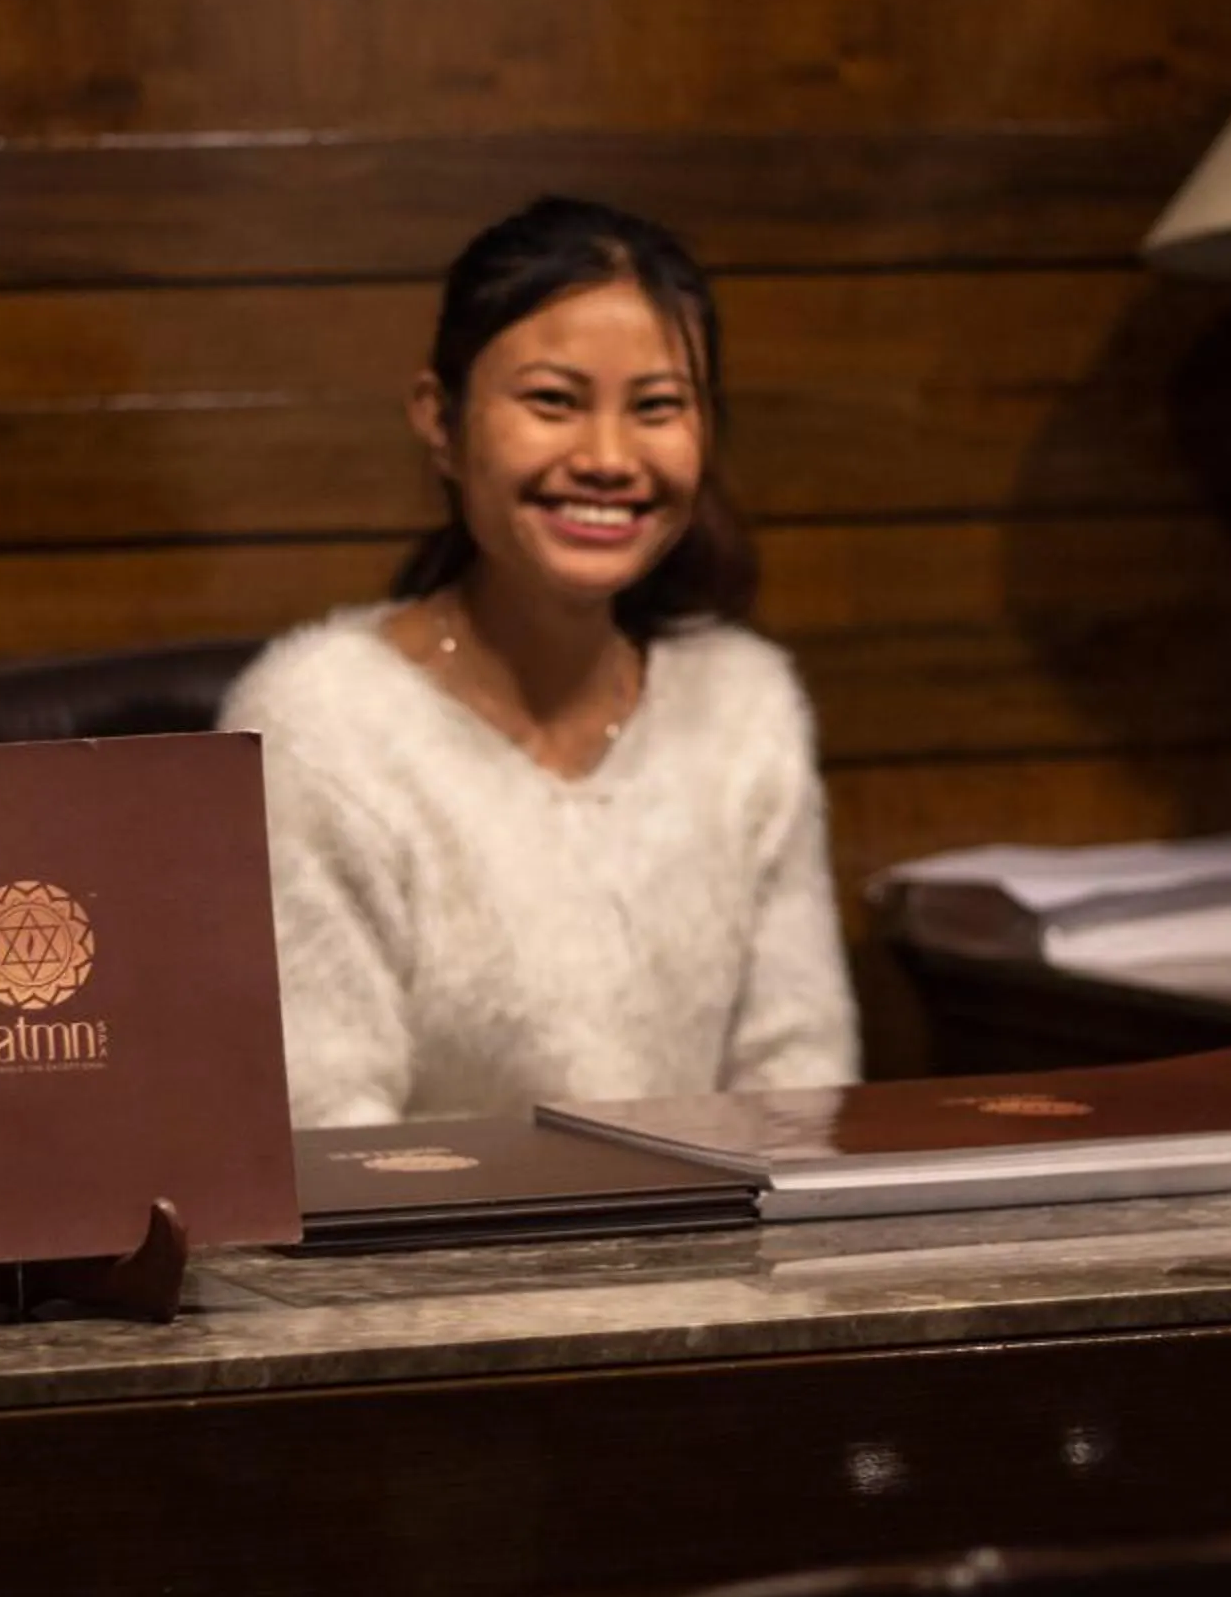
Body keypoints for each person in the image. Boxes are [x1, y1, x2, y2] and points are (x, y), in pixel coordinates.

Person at [220, 195, 859, 1127]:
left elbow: (800, 1089)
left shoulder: (744, 706)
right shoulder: (317, 724)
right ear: (441, 421)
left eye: (657, 408)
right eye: (554, 401)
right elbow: (325, 1128)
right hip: (425, 1227)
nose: (608, 457)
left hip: (722, 1227)